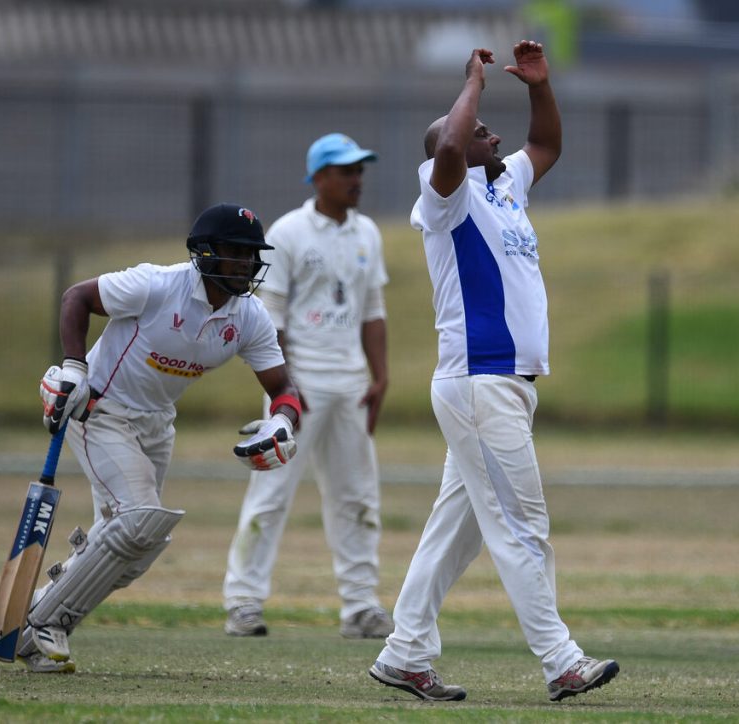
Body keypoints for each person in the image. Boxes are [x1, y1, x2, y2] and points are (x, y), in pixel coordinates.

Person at [368, 42, 620, 702]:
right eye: (483, 130)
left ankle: (404, 652)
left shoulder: (503, 185)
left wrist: (540, 86)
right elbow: (450, 148)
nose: (492, 135)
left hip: (501, 388)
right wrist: (472, 83)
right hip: (480, 383)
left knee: (457, 531)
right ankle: (561, 660)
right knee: (523, 527)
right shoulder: (443, 195)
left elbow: (547, 144)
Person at [16, 203, 304, 673]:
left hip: (156, 424)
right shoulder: (155, 284)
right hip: (100, 411)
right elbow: (75, 298)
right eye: (236, 252)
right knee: (138, 520)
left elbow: (284, 389)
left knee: (134, 553)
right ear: (205, 253)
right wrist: (74, 367)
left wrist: (283, 422)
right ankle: (44, 623)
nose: (247, 264)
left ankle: (44, 607)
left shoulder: (249, 316)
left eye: (253, 255)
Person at [222, 133, 393, 640]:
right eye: (345, 171)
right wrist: (286, 389)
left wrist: (380, 376)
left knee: (358, 496)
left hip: (352, 384)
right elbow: (268, 319)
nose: (356, 180)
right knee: (270, 494)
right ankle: (243, 603)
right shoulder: (289, 231)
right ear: (318, 176)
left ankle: (361, 607)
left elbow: (373, 312)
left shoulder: (368, 234)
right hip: (299, 386)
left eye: (360, 170)